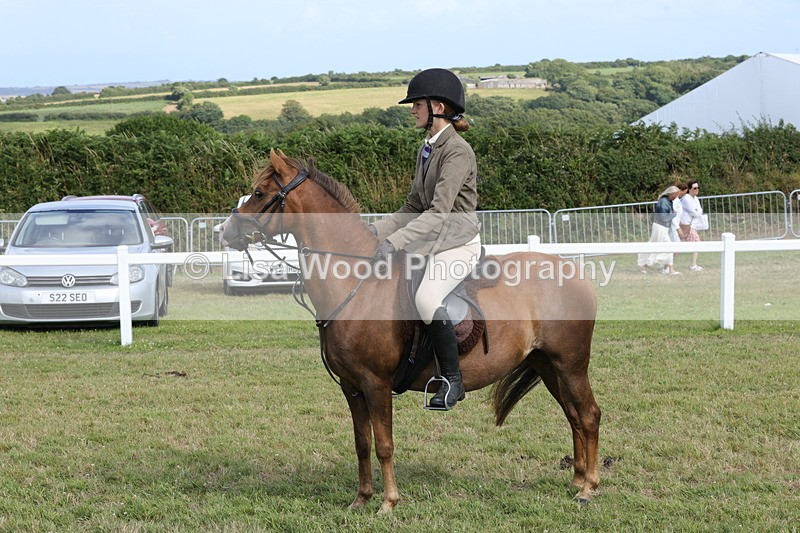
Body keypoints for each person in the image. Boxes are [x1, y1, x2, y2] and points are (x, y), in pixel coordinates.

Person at [368, 68, 481, 410]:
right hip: (431, 243)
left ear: (438, 107)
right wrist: (372, 232)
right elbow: (413, 206)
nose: (412, 111)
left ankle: (452, 381)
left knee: (427, 298)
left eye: (417, 105)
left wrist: (395, 242)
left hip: (457, 243)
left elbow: (438, 212)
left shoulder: (457, 151)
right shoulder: (428, 148)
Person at [638, 185, 681, 275]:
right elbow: (664, 217)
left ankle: (645, 264)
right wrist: (674, 214)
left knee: (654, 245)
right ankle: (653, 263)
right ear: (671, 193)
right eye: (676, 195)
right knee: (667, 247)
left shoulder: (668, 201)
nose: (677, 197)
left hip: (661, 227)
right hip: (660, 227)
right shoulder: (664, 202)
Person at [679, 179, 704, 271]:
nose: (697, 189)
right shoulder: (686, 199)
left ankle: (666, 265)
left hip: (691, 225)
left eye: (698, 188)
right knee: (695, 243)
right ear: (689, 189)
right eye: (694, 188)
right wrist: (697, 211)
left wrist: (697, 211)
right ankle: (693, 266)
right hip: (685, 225)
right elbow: (695, 213)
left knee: (680, 246)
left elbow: (700, 211)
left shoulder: (695, 198)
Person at [667, 183, 689, 272]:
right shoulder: (675, 201)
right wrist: (678, 228)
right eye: (684, 192)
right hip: (673, 227)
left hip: (674, 226)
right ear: (679, 191)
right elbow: (673, 216)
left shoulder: (678, 201)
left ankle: (667, 266)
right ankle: (667, 267)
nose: (684, 194)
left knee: (675, 248)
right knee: (676, 247)